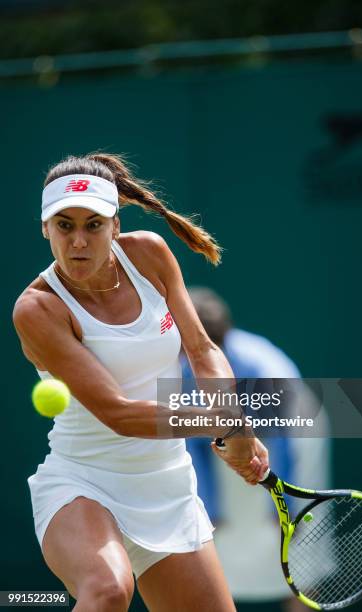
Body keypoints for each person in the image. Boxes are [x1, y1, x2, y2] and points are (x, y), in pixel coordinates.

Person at [12, 153, 268, 612]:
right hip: (83, 484)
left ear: (115, 225)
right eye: (64, 225)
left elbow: (203, 349)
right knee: (108, 591)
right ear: (44, 229)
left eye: (93, 225)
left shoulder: (148, 253)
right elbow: (119, 413)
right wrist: (226, 427)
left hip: (166, 486)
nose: (78, 242)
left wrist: (230, 416)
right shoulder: (37, 309)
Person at [183, 287, 331, 611]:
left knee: (298, 558)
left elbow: (285, 442)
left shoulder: (263, 369)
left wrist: (286, 508)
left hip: (295, 434)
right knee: (211, 544)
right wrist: (208, 506)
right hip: (236, 438)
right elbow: (192, 443)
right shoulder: (183, 367)